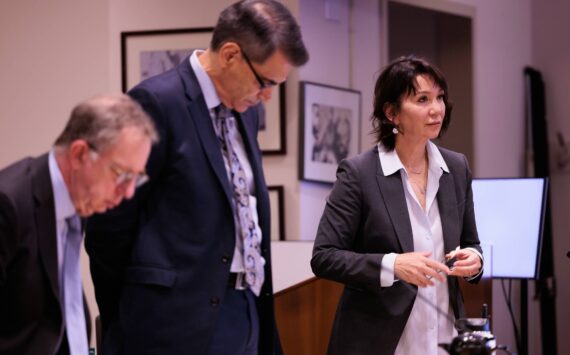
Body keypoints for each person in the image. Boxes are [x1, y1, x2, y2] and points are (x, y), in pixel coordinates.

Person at [85, 1, 308, 354]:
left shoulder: (244, 114)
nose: (267, 96)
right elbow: (108, 224)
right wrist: (125, 311)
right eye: (265, 82)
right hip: (170, 323)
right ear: (231, 55)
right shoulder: (156, 102)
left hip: (243, 312)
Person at [311, 56, 483, 355]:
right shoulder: (359, 173)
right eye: (422, 99)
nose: (436, 109)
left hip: (443, 335)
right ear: (392, 113)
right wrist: (393, 264)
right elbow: (325, 257)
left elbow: (471, 243)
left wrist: (474, 260)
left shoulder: (456, 167)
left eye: (439, 97)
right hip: (379, 341)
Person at [0, 94, 157, 355]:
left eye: (136, 179)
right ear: (79, 154)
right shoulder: (9, 205)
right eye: (121, 175)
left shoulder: (78, 201)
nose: (129, 192)